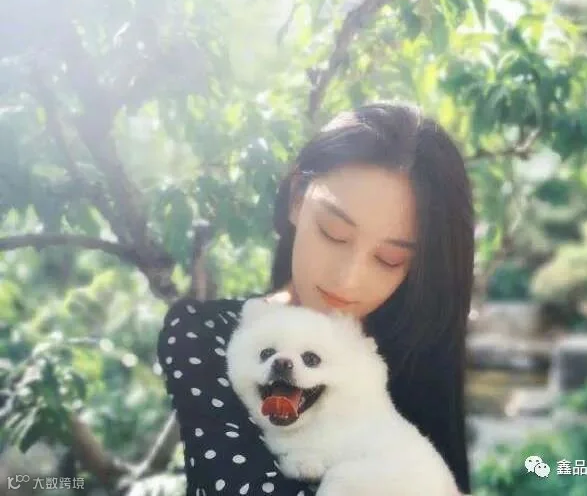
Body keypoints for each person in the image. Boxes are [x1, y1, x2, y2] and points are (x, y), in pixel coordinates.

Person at [157, 101, 474, 495]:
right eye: (333, 233)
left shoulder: (416, 349)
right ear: (296, 197)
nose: (348, 278)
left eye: (388, 259)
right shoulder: (206, 333)